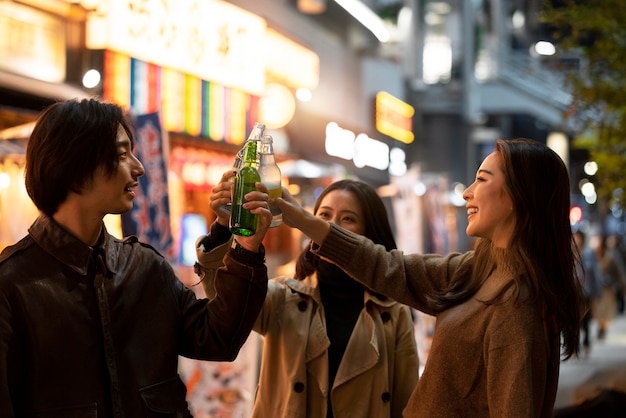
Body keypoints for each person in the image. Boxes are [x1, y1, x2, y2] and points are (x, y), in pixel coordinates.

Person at [274, 138, 586, 417]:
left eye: (481, 180)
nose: (467, 193)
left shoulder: (516, 307)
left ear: (518, 196)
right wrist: (301, 218)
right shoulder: (479, 268)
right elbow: (389, 267)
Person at [0, 98, 271, 417]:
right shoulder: (12, 285)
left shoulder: (144, 266)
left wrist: (243, 246)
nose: (139, 167)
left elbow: (217, 338)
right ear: (73, 167)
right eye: (121, 154)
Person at [195, 177, 419, 417]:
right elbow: (228, 304)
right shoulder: (283, 296)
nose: (332, 227)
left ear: (370, 234)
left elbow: (407, 402)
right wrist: (223, 226)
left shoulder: (393, 312)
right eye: (324, 216)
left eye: (348, 219)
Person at [573, 230, 602, 356]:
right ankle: (574, 347)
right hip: (572, 292)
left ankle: (586, 343)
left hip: (586, 291)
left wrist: (598, 292)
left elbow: (596, 272)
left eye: (578, 238)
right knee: (573, 320)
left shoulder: (589, 253)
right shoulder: (568, 253)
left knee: (585, 319)